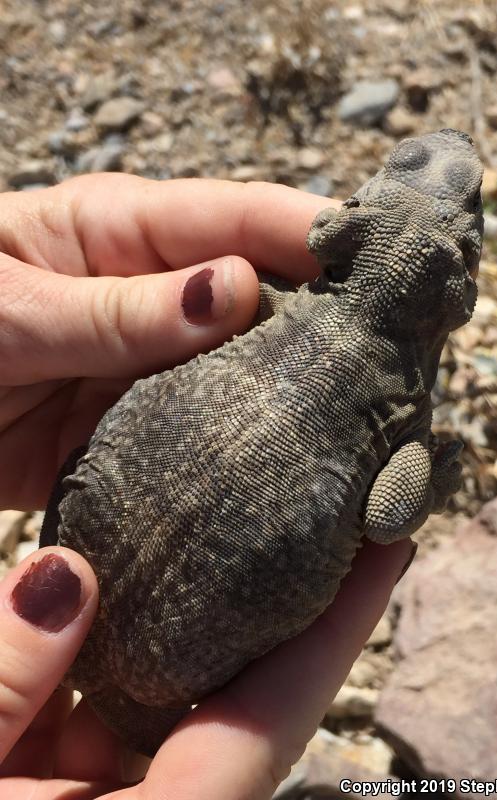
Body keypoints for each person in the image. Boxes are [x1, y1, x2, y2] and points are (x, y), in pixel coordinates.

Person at [0, 173, 416, 799]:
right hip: (170, 688)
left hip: (83, 591)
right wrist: (439, 471)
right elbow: (388, 516)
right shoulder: (405, 406)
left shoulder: (276, 300)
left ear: (339, 236)